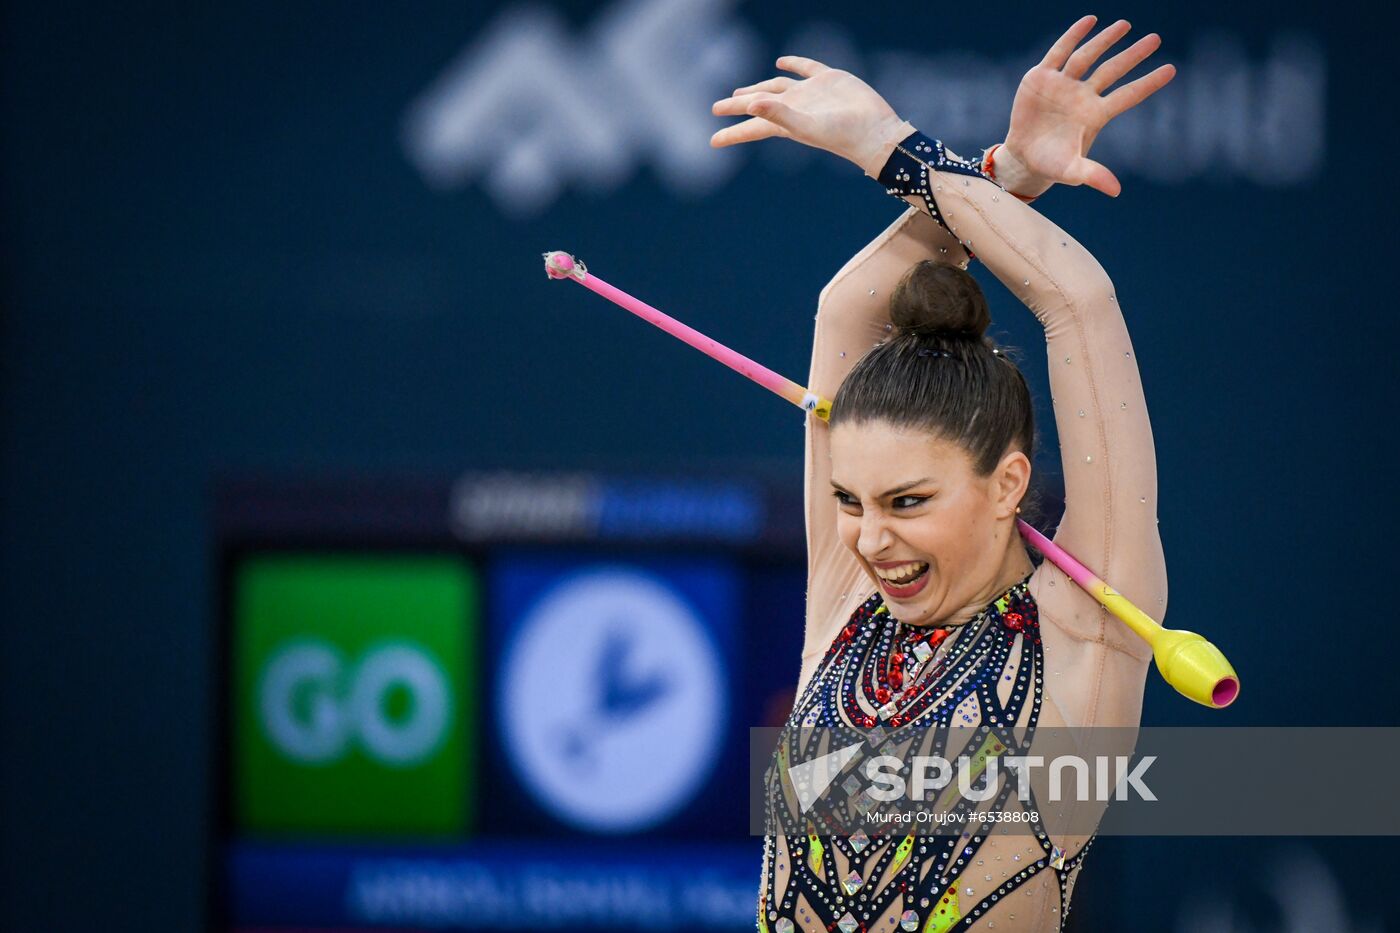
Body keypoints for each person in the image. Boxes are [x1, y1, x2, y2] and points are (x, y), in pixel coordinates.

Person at [711, 16, 1176, 932]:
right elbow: (847, 308)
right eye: (849, 501)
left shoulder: (1087, 631)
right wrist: (1003, 177)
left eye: (908, 501)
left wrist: (890, 146)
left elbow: (1077, 302)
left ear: (1008, 484)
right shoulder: (850, 603)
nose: (868, 538)